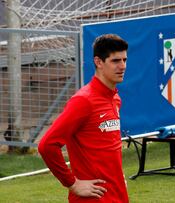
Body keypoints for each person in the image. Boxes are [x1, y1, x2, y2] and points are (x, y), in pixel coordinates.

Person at [38, 34, 129, 203]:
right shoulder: (83, 101)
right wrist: (72, 183)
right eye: (115, 61)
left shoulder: (115, 99)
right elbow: (47, 145)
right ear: (98, 62)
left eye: (124, 60)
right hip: (92, 199)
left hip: (116, 194)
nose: (122, 66)